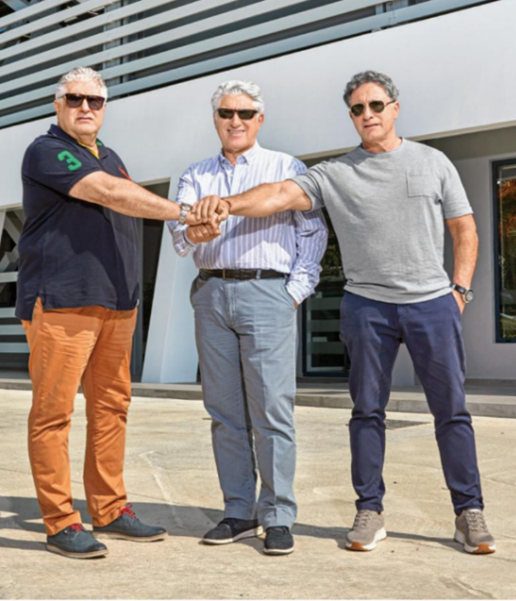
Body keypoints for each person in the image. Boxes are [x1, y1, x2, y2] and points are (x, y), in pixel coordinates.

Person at [190, 71, 495, 555]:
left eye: (376, 105)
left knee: (452, 412)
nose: (367, 114)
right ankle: (369, 510)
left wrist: (459, 290)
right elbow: (278, 196)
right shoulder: (335, 173)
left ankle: (468, 512)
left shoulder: (432, 161)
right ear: (350, 116)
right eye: (357, 108)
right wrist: (225, 204)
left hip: (430, 303)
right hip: (367, 307)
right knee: (367, 413)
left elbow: (465, 229)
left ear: (394, 108)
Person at [17, 66, 207, 559]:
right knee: (53, 413)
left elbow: (129, 204)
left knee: (111, 409)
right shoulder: (47, 150)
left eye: (95, 101)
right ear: (58, 104)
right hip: (62, 299)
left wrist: (190, 229)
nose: (85, 107)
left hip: (116, 303)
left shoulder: (111, 156)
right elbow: (109, 194)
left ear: (104, 108)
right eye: (75, 98)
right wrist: (185, 211)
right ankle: (61, 522)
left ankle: (108, 508)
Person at [169, 80, 327, 555]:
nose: (234, 121)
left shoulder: (286, 168)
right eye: (225, 113)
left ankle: (277, 515)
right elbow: (179, 238)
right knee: (224, 413)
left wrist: (292, 294)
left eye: (244, 113)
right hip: (211, 293)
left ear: (260, 119)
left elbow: (312, 234)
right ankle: (239, 511)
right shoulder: (195, 175)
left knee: (272, 411)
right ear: (215, 119)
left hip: (267, 291)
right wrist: (196, 233)